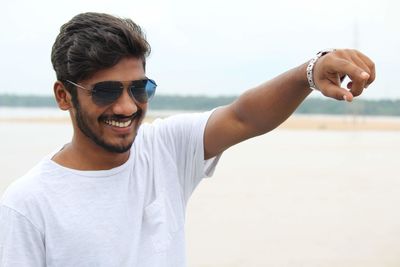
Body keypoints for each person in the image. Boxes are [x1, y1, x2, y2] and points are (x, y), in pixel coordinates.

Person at [0, 12, 375, 267]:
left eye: (140, 88)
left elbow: (244, 116)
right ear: (64, 96)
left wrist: (309, 73)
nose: (127, 106)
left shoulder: (165, 149)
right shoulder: (27, 206)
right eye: (106, 92)